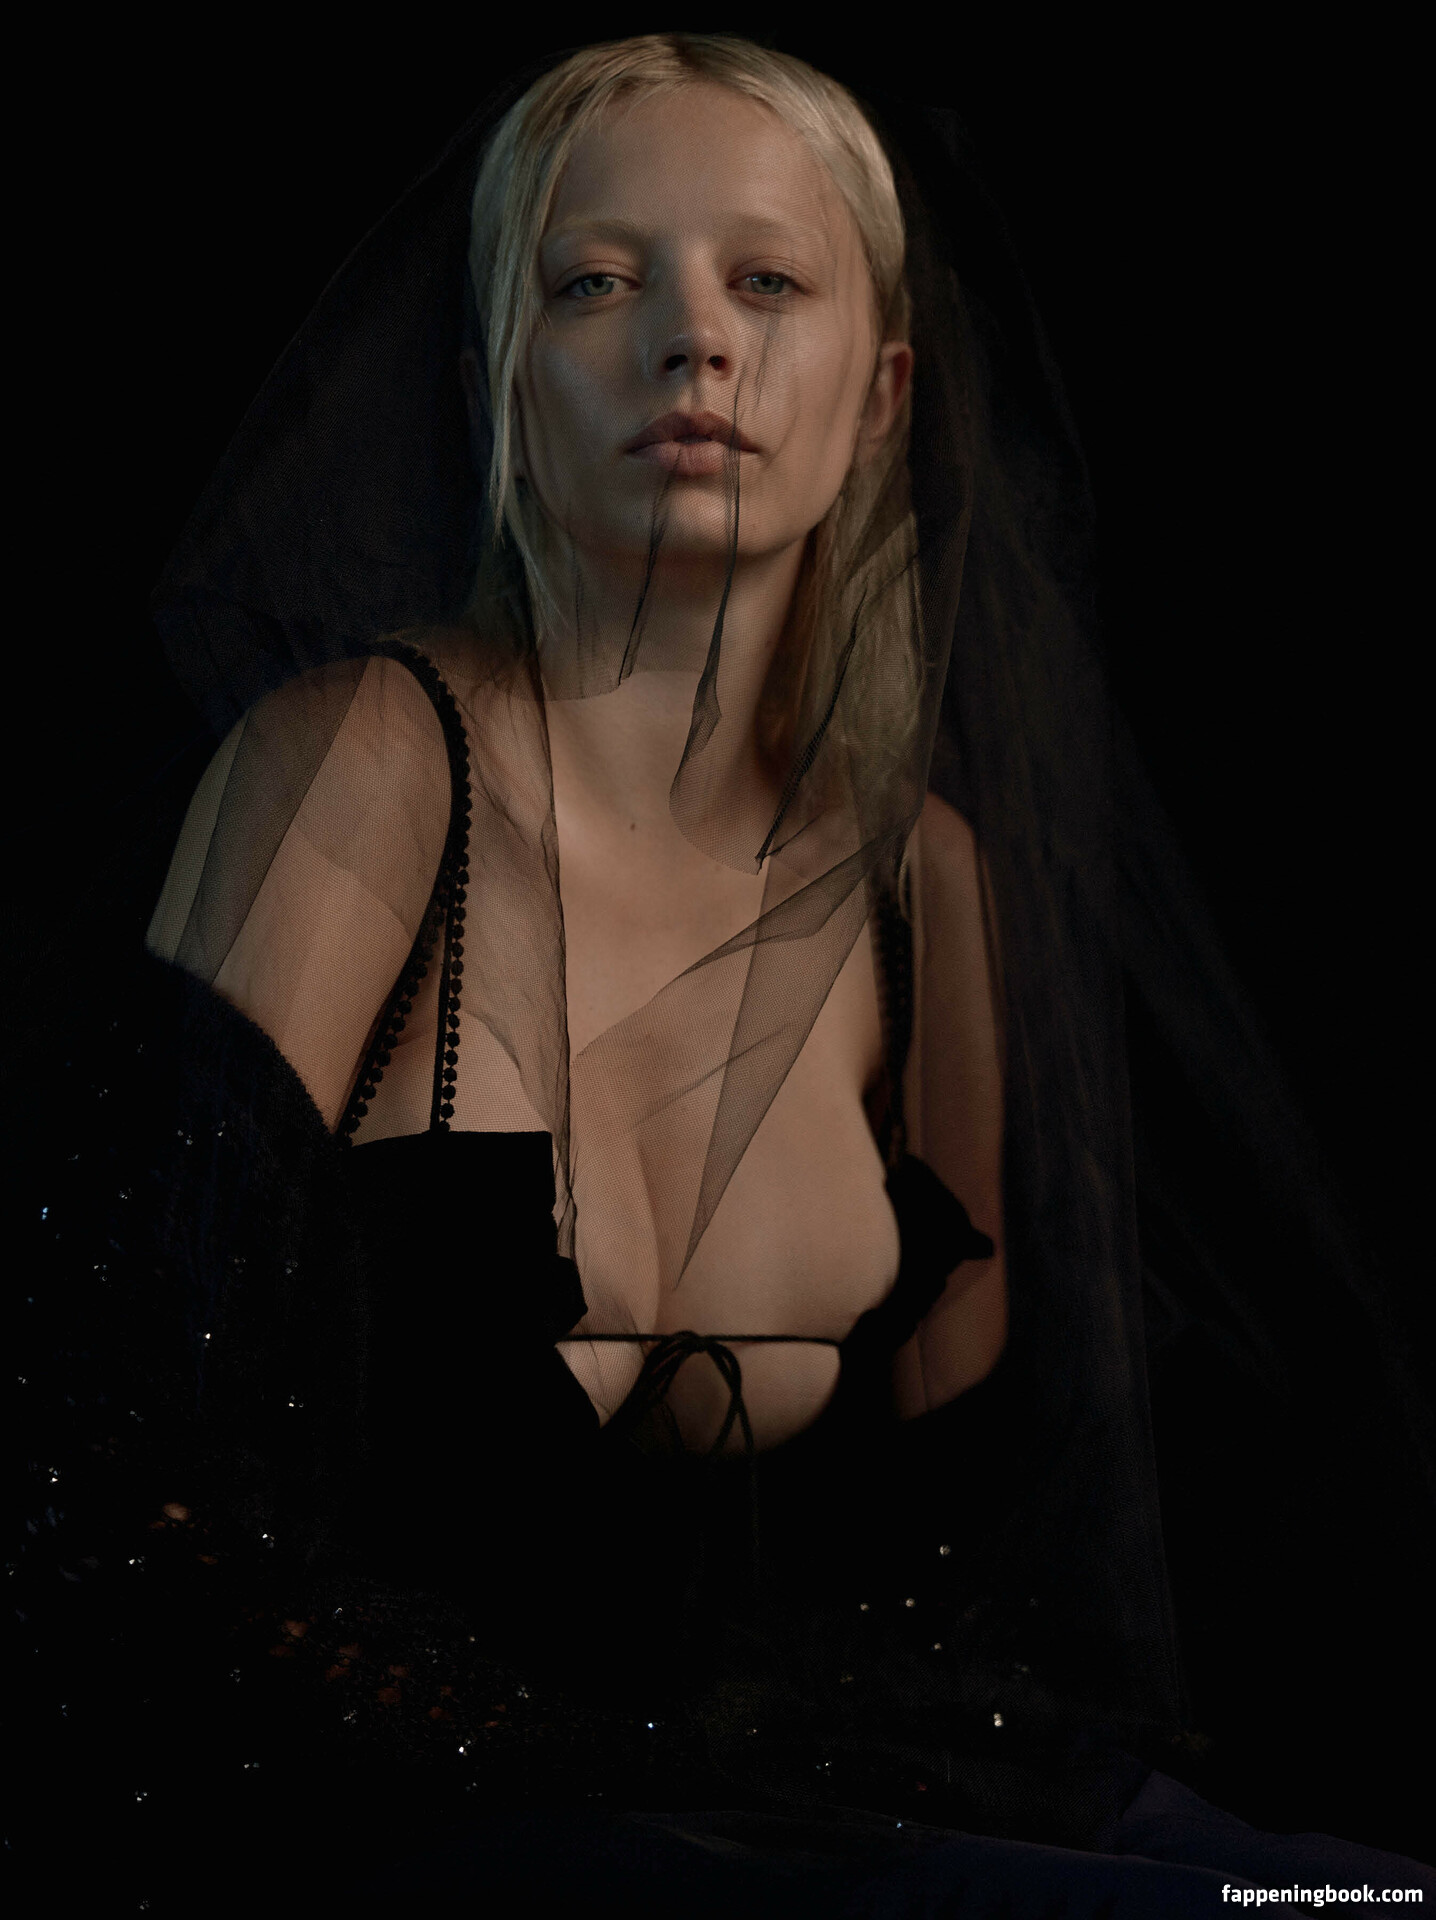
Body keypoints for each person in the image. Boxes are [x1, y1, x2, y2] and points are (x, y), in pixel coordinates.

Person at [16, 32, 1434, 1915]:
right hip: (384, 1817)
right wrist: (580, 1781)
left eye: (767, 281)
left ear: (881, 394)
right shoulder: (365, 767)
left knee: (1354, 1901)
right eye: (596, 284)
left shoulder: (923, 879)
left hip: (826, 1788)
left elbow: (970, 1534)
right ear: (499, 377)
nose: (693, 341)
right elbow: (124, 1484)